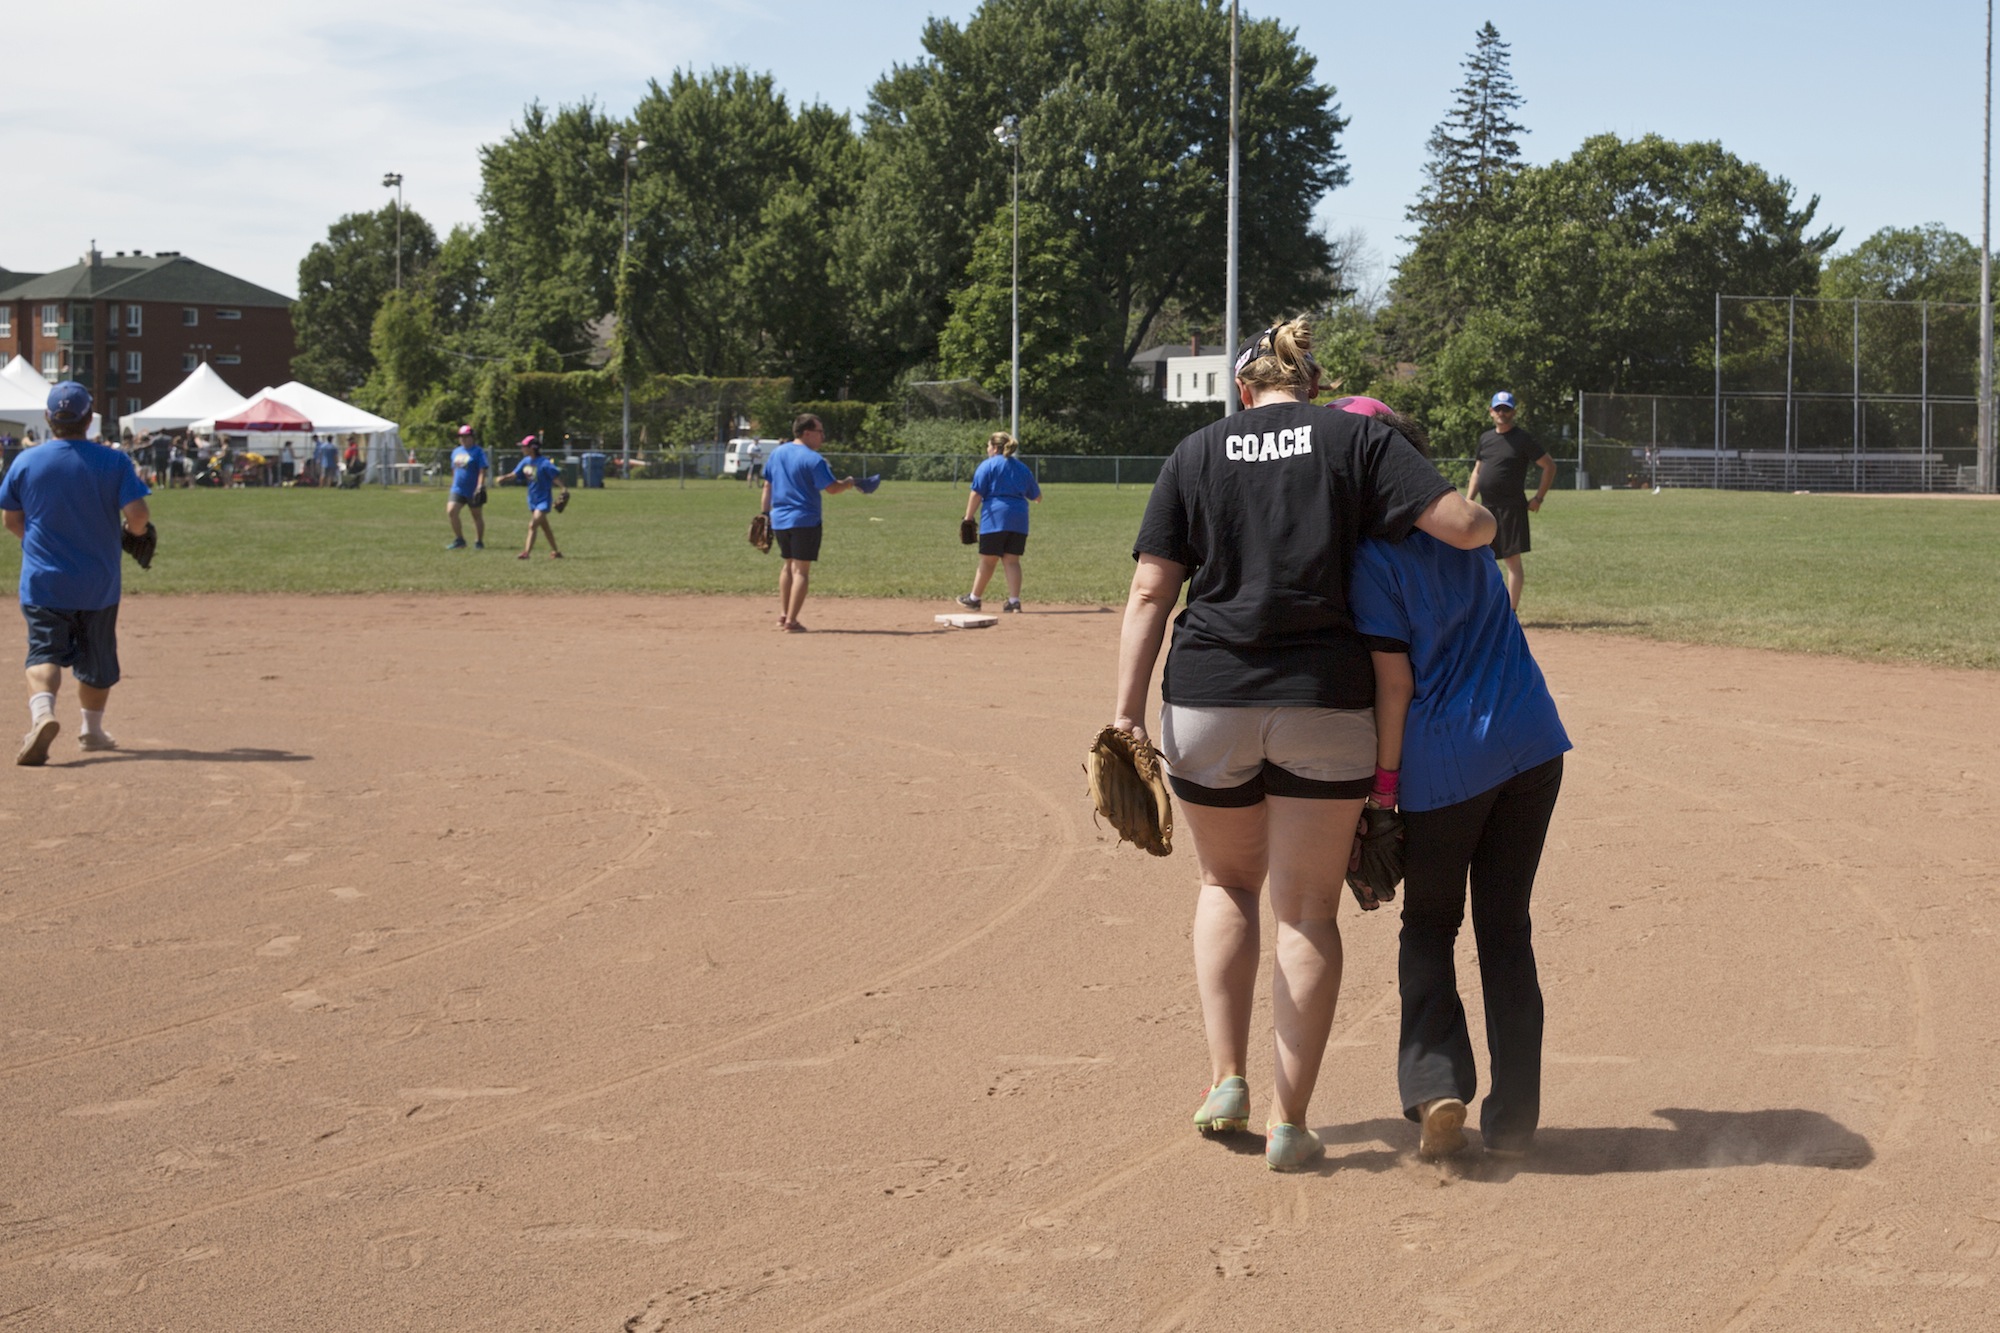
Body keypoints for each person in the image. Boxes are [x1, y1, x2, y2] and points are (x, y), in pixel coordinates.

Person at [1113, 318, 1496, 1172]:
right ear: (1312, 386)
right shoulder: (1354, 437)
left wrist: (1127, 715)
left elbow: (1149, 590)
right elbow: (1466, 528)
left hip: (1209, 694)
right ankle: (1292, 1119)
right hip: (1325, 700)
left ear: (1244, 389)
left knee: (1225, 883)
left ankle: (1226, 1079)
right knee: (1309, 910)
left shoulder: (1197, 450)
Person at [1341, 396, 1571, 1162]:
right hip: (1533, 743)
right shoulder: (1467, 523)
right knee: (1506, 928)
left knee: (1431, 924)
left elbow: (1394, 686)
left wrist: (1382, 790)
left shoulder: (1373, 557)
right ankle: (1514, 1118)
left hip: (1446, 762)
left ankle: (1438, 1082)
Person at [0, 382, 152, 766]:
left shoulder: (26, 461)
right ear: (89, 418)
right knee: (96, 661)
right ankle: (92, 731)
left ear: (50, 419)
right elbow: (137, 516)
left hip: (43, 581)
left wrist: (37, 544)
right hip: (97, 584)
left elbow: (11, 520)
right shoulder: (113, 461)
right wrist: (136, 535)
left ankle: (42, 715)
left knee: (43, 651)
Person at [759, 414, 856, 632]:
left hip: (780, 519)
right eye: (820, 431)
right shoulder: (813, 459)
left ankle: (783, 616)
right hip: (805, 519)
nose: (823, 436)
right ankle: (792, 622)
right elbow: (832, 488)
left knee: (787, 565)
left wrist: (764, 514)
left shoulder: (777, 453)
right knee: (801, 570)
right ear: (807, 433)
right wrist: (848, 483)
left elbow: (767, 486)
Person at [1464, 391, 1554, 612]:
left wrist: (1539, 498)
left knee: (1512, 562)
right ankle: (1487, 609)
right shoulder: (1485, 438)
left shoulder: (1522, 439)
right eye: (1498, 409)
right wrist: (1468, 502)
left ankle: (1510, 612)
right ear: (1491, 412)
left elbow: (1549, 466)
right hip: (1488, 509)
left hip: (1512, 508)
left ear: (1514, 412)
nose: (1502, 413)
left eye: (1506, 409)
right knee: (1484, 561)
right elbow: (1477, 471)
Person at [958, 431, 1042, 613]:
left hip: (995, 517)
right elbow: (1037, 497)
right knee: (1012, 561)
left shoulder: (987, 466)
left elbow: (976, 493)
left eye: (988, 446)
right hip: (1019, 519)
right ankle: (1014, 602)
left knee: (988, 561)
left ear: (995, 448)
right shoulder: (1022, 468)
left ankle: (974, 599)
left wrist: (968, 517)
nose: (987, 449)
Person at [509, 435, 568, 559]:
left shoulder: (544, 463)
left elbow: (554, 477)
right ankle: (556, 551)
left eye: (524, 446)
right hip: (532, 499)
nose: (522, 449)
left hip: (543, 500)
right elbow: (515, 474)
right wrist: (504, 478)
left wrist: (563, 488)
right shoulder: (525, 461)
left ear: (533, 448)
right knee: (545, 528)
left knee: (533, 525)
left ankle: (526, 553)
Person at [445, 425, 490, 550]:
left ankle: (479, 542)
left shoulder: (478, 451)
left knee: (476, 515)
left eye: (466, 436)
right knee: (451, 511)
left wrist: (480, 486)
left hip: (473, 489)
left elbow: (482, 470)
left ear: (472, 437)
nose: (463, 439)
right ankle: (460, 540)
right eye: (461, 436)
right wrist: (453, 483)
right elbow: (454, 469)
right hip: (458, 488)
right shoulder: (456, 452)